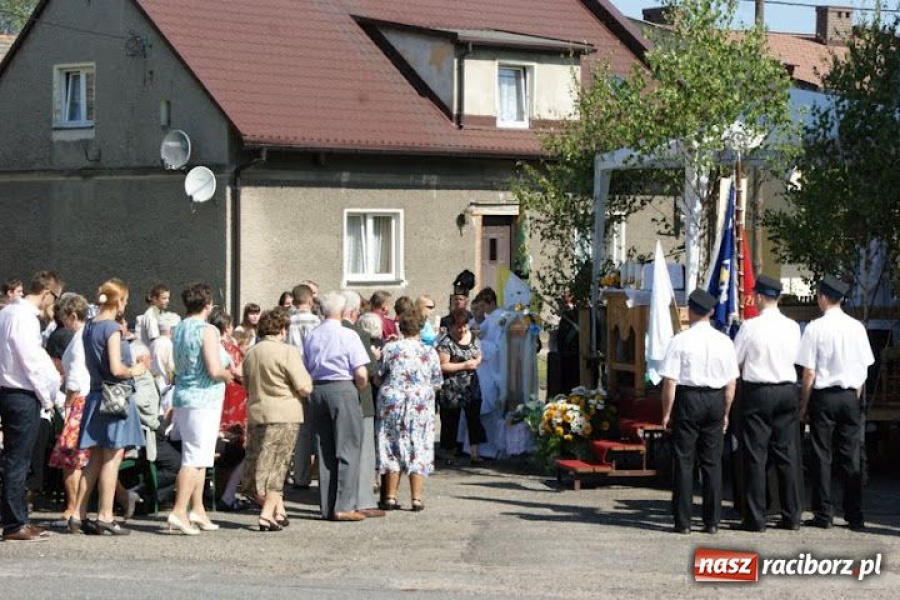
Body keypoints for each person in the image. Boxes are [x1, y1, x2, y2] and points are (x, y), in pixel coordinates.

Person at [797, 275, 875, 531]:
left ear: (822, 297)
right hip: (850, 395)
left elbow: (809, 371)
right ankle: (855, 514)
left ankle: (824, 513)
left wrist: (804, 404)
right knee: (851, 455)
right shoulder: (857, 327)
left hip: (824, 395)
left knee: (822, 454)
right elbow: (864, 368)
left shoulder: (814, 328)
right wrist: (856, 394)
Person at [659, 289, 739, 535]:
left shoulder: (680, 340)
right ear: (712, 312)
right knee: (712, 462)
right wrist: (725, 412)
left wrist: (666, 413)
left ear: (690, 311)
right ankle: (711, 521)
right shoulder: (724, 341)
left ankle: (683, 521)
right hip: (715, 399)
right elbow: (731, 383)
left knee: (684, 462)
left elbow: (670, 382)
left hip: (689, 399)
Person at [74, 279, 148, 536]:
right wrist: (135, 370)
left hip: (96, 396)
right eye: (125, 301)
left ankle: (77, 513)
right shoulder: (112, 329)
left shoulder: (88, 327)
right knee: (112, 458)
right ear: (118, 301)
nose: (124, 306)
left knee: (94, 458)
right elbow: (117, 369)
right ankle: (105, 515)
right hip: (114, 397)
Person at [732, 275, 802, 532]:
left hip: (758, 391)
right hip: (786, 390)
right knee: (786, 454)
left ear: (760, 297)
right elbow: (798, 358)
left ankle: (755, 517)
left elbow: (735, 361)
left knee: (755, 454)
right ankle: (792, 514)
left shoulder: (750, 327)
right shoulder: (793, 327)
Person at [0, 270, 63, 541]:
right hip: (21, 393)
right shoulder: (24, 317)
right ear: (47, 292)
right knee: (17, 460)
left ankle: (16, 518)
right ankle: (15, 524)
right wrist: (50, 395)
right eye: (56, 298)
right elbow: (32, 361)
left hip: (8, 390)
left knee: (13, 459)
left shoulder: (6, 313)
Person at [167, 283, 234, 535]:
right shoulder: (207, 330)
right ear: (208, 305)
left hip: (184, 396)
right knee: (194, 458)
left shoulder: (179, 328)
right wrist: (228, 376)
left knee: (200, 456)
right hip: (202, 399)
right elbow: (214, 369)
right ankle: (179, 511)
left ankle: (198, 509)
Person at [242, 308, 313, 531]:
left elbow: (246, 385)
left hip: (257, 413)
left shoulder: (251, 352)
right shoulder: (287, 352)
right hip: (284, 414)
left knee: (260, 463)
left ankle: (279, 511)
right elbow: (304, 387)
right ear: (282, 329)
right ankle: (266, 515)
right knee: (278, 466)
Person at [303, 291, 370, 521]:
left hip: (317, 388)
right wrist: (358, 388)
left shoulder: (312, 335)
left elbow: (306, 365)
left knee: (324, 449)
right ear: (343, 312)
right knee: (348, 447)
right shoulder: (348, 335)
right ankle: (344, 505)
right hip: (342, 387)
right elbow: (361, 372)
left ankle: (327, 505)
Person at [375, 311, 443, 511]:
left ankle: (390, 496)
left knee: (390, 443)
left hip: (393, 400)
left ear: (401, 327)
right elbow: (437, 381)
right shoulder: (429, 351)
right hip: (418, 403)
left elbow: (379, 375)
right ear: (421, 328)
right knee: (418, 445)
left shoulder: (391, 348)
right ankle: (416, 498)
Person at [47, 293, 92, 528]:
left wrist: (67, 405)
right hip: (90, 400)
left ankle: (72, 508)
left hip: (77, 402)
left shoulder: (77, 341)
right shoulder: (91, 334)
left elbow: (73, 381)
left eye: (64, 317)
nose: (62, 322)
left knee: (70, 460)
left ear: (71, 315)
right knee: (86, 460)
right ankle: (124, 497)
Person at [341, 291, 384, 518]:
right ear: (354, 311)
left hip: (330, 394)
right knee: (365, 451)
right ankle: (364, 500)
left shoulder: (322, 331)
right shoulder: (358, 333)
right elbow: (370, 369)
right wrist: (375, 357)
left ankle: (340, 500)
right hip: (359, 396)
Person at [210, 309, 249, 511]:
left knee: (223, 441)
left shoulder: (209, 346)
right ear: (227, 327)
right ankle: (228, 494)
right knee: (238, 443)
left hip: (220, 397)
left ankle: (218, 491)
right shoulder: (230, 349)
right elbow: (240, 373)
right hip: (234, 398)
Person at [436, 307, 486, 466]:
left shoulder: (473, 338)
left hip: (471, 386)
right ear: (451, 326)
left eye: (464, 326)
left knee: (474, 419)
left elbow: (479, 354)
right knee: (451, 421)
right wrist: (464, 365)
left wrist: (477, 361)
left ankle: (475, 453)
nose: (462, 329)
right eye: (458, 326)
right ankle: (449, 454)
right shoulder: (446, 343)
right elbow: (442, 366)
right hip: (452, 388)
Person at [286, 283, 321, 490]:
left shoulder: (286, 321)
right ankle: (316, 470)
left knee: (300, 431)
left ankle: (300, 475)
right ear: (309, 300)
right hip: (312, 377)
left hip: (291, 377)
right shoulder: (316, 322)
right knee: (316, 428)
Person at [150, 312, 180, 414]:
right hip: (166, 387)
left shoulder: (153, 343)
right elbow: (172, 369)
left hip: (154, 384)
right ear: (172, 329)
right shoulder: (169, 345)